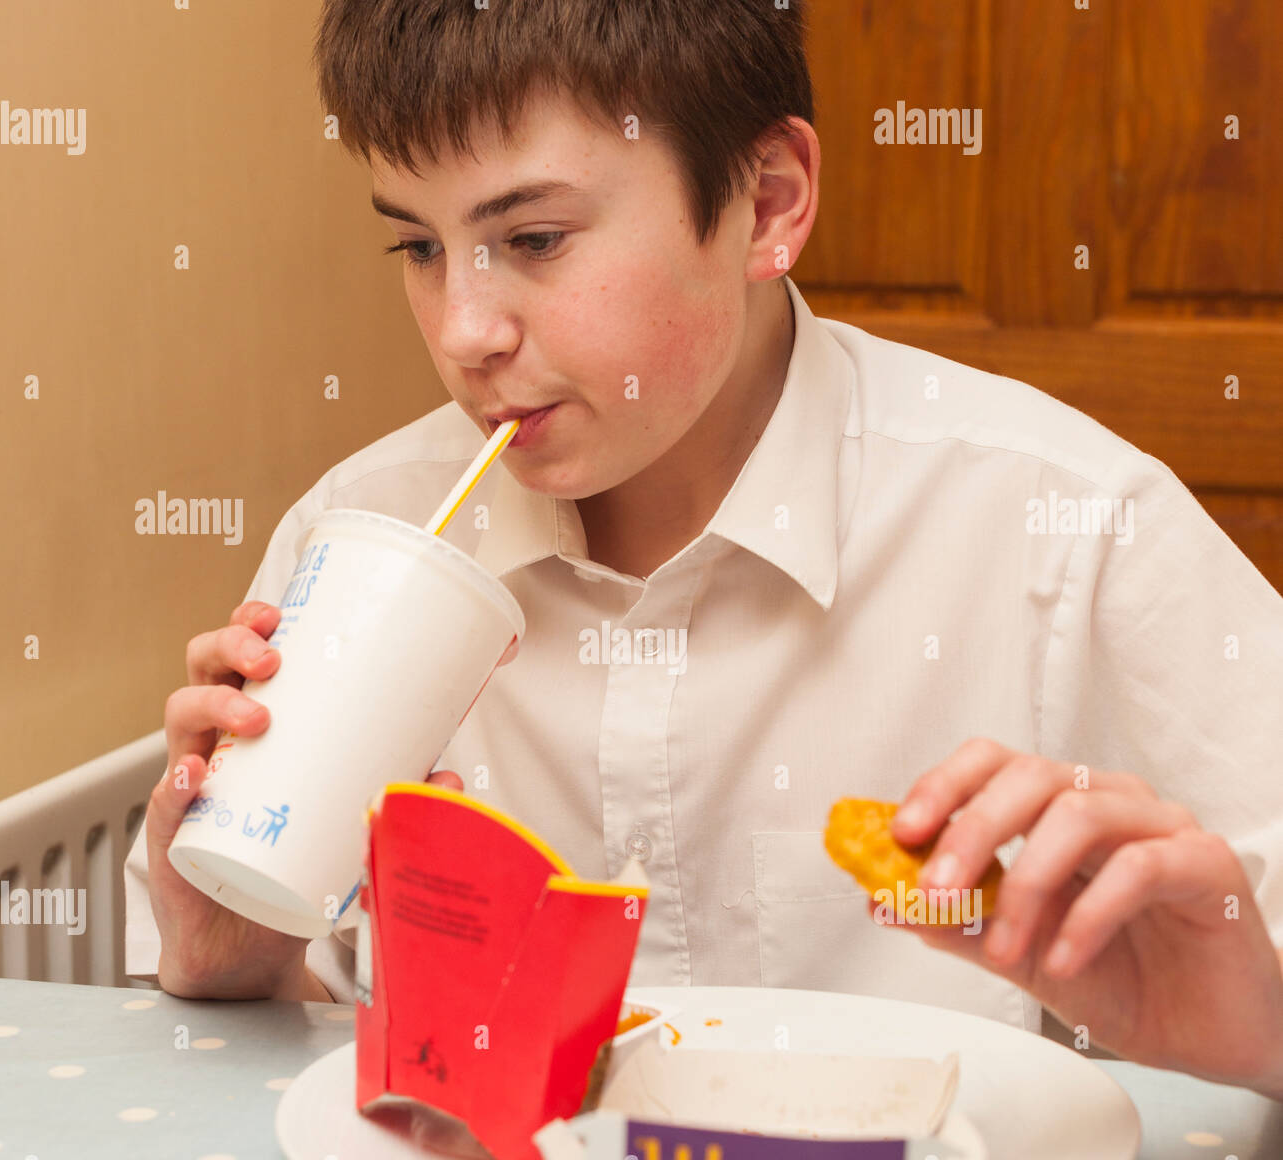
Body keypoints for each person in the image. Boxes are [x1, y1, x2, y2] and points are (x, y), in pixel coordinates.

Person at [124, 0, 1283, 1099]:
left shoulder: (1067, 528)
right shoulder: (360, 537)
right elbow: (243, 1073)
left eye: (532, 237)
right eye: (418, 250)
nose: (464, 332)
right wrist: (226, 947)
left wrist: (1259, 1025)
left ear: (769, 202)